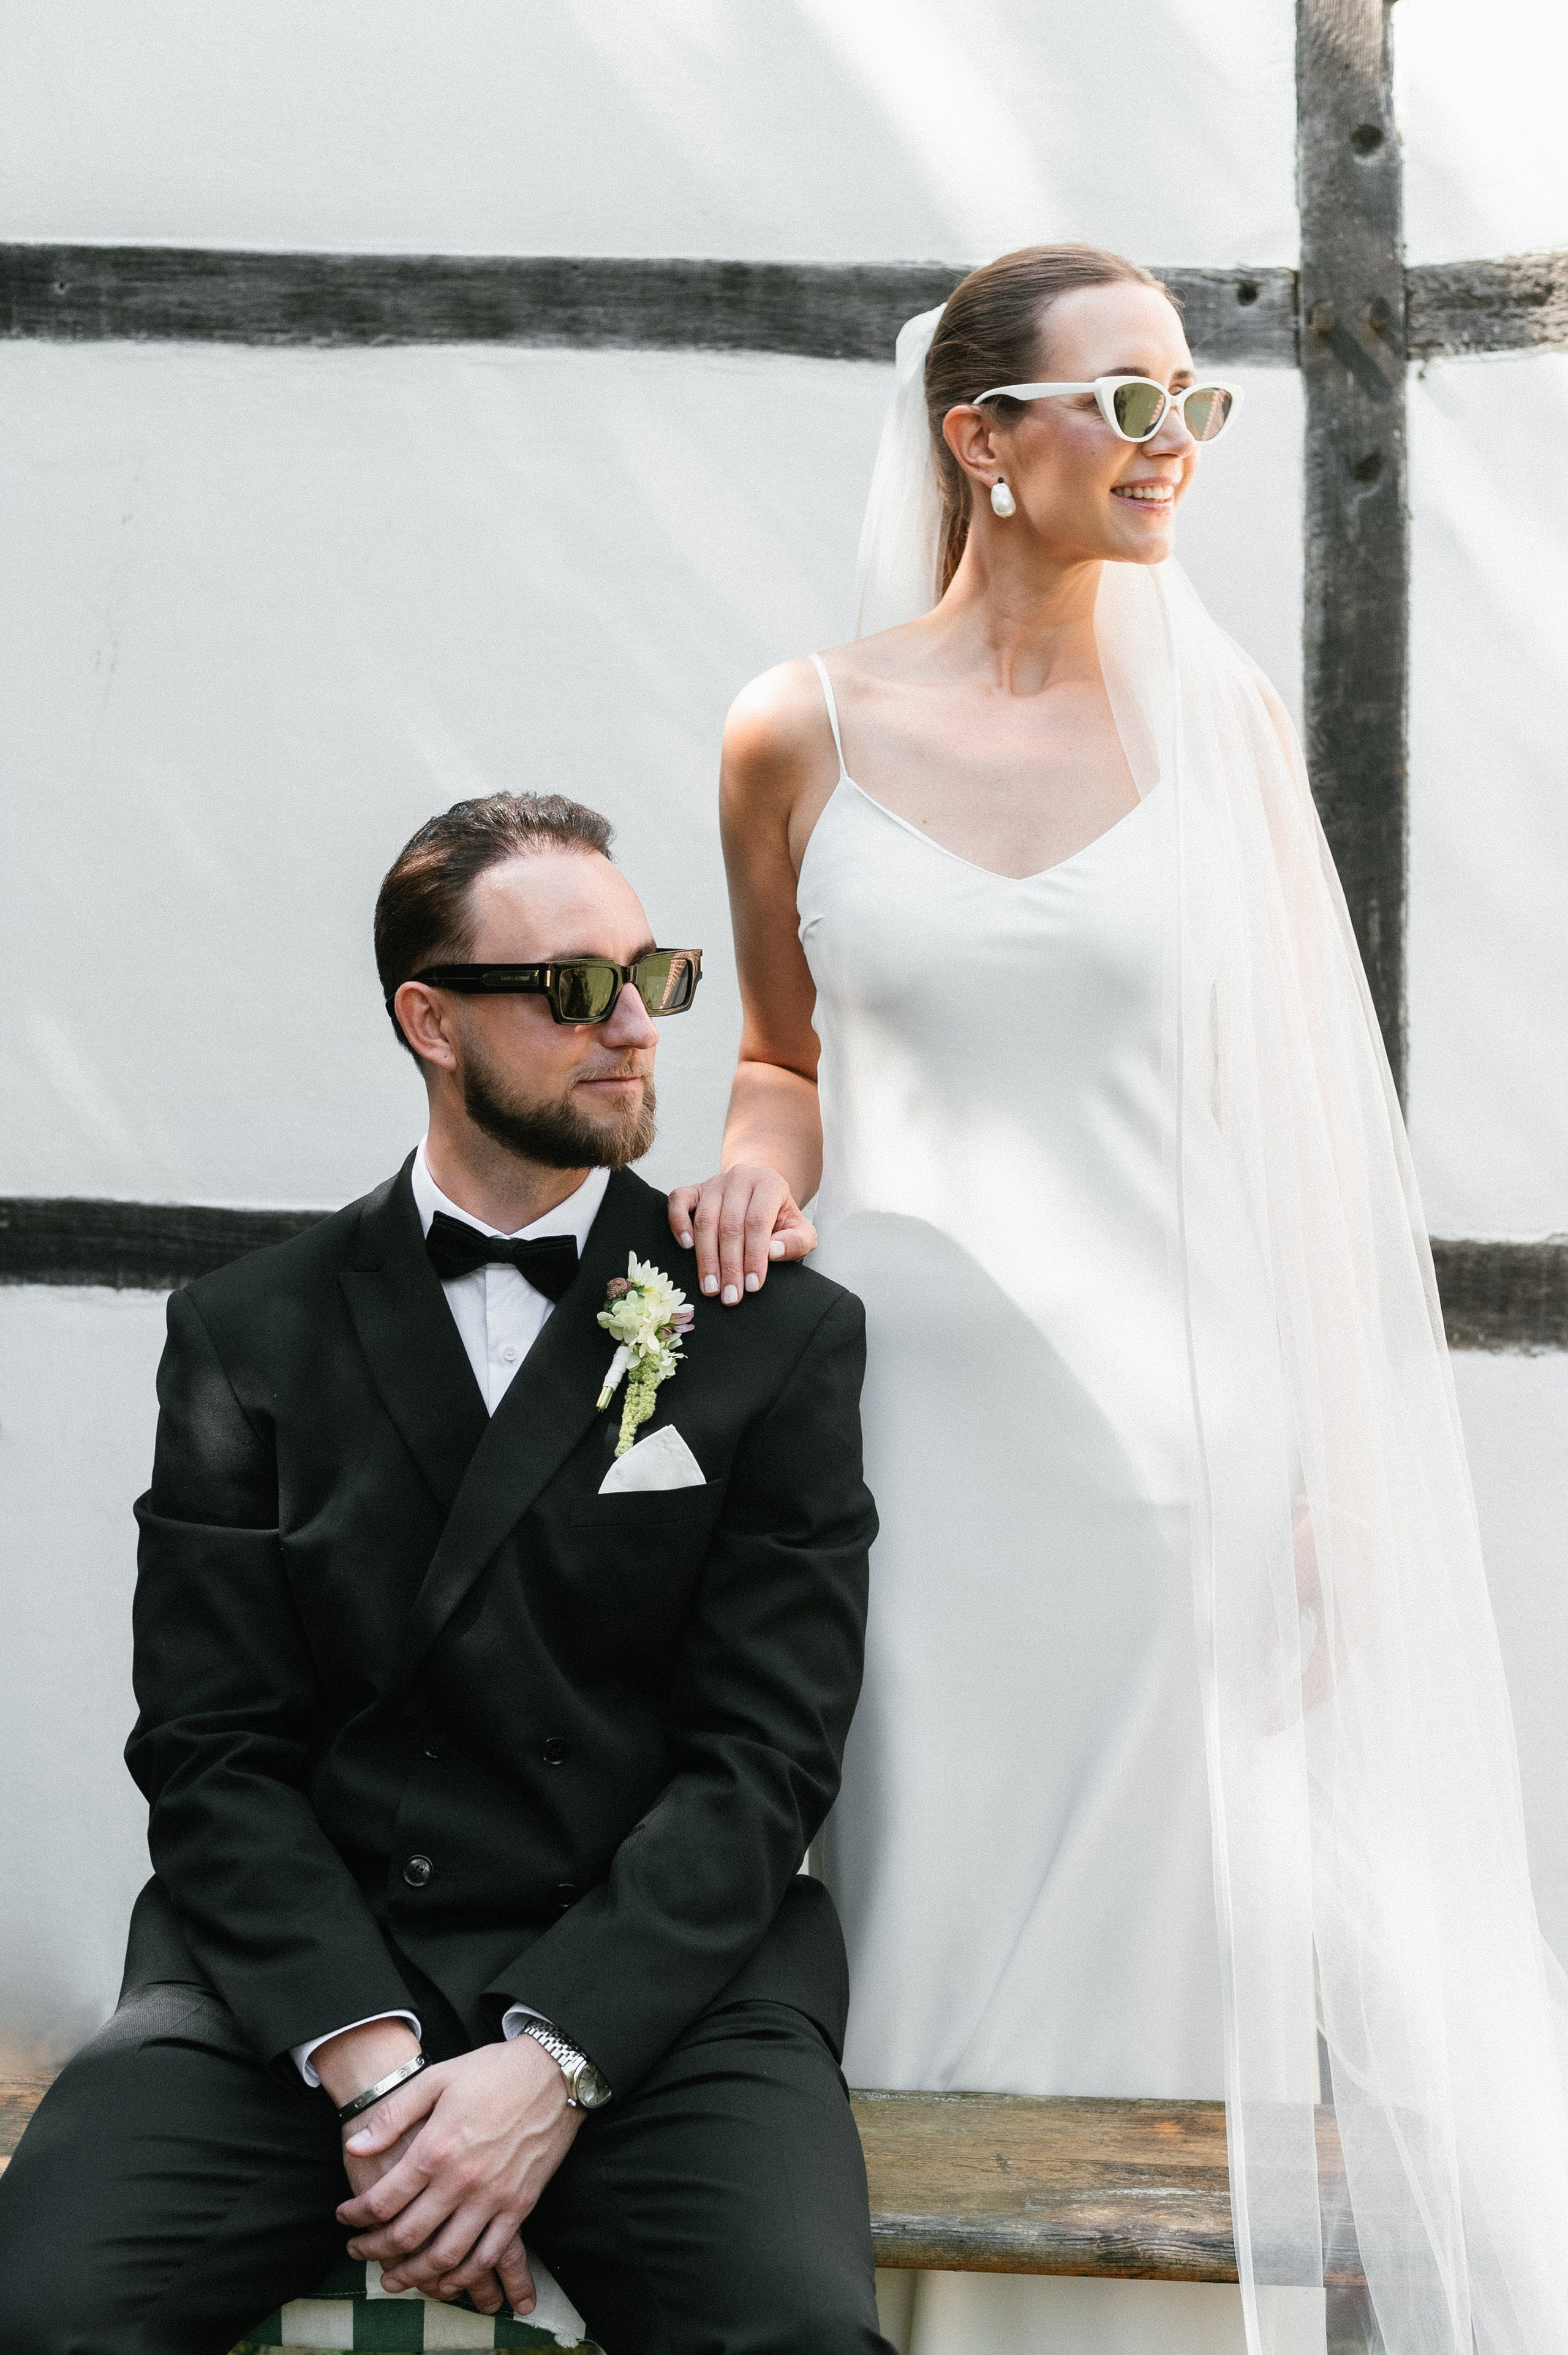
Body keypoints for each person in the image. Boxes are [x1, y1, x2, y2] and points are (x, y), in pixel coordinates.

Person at [669, 245, 1568, 2355]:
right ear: (982, 439)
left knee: (1155, 1978)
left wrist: (1333, 1469)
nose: (1177, 443)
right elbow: (784, 1057)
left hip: (1177, 1463)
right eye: (1130, 400)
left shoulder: (1221, 723)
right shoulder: (795, 726)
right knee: (909, 1930)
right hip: (892, 1460)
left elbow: (1304, 1137)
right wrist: (752, 1167)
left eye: (1196, 402)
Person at [0, 791, 891, 2355]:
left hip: (654, 1988)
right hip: (309, 1978)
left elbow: (765, 1758)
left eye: (653, 976)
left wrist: (551, 2065)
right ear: (430, 1020)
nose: (635, 1028)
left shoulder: (769, 1330)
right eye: (574, 988)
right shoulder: (248, 1331)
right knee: (42, 2308)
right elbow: (210, 1747)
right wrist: (384, 2075)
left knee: (799, 2334)